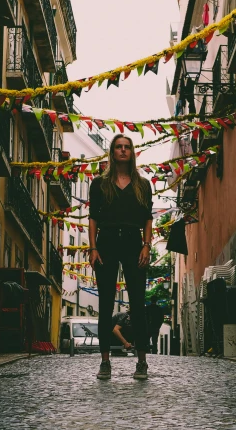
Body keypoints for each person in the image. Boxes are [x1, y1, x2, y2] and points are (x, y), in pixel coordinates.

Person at [88, 134, 153, 380]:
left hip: (133, 242)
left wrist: (146, 246)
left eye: (127, 147)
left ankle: (142, 361)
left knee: (138, 303)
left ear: (131, 152)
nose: (123, 151)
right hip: (106, 242)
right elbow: (93, 217)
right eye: (118, 147)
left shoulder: (142, 184)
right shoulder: (99, 184)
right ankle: (105, 361)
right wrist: (93, 248)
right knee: (105, 303)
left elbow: (148, 217)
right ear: (112, 152)